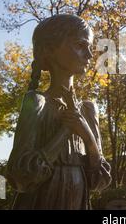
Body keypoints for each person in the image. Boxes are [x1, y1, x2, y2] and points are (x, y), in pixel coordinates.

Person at [6, 14, 111, 209]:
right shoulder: (37, 102)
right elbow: (21, 175)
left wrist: (87, 136)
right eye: (80, 45)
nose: (89, 55)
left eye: (89, 47)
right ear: (49, 50)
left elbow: (98, 181)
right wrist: (65, 130)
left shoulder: (88, 109)